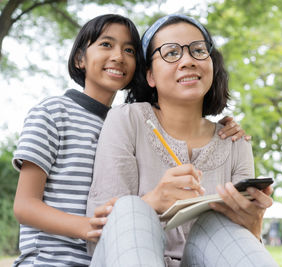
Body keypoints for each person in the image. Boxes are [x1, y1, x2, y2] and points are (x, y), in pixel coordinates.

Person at [11, 13, 247, 266]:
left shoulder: (128, 124)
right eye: (106, 44)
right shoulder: (53, 112)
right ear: (80, 58)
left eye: (130, 50)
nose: (118, 56)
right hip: (50, 260)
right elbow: (24, 206)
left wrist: (225, 127)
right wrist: (89, 226)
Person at [86, 14, 278, 267]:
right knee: (130, 208)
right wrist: (151, 202)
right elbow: (100, 234)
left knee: (219, 224)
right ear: (150, 76)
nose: (188, 61)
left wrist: (254, 225)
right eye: (171, 53)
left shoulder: (235, 142)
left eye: (198, 50)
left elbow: (237, 248)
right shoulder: (126, 120)